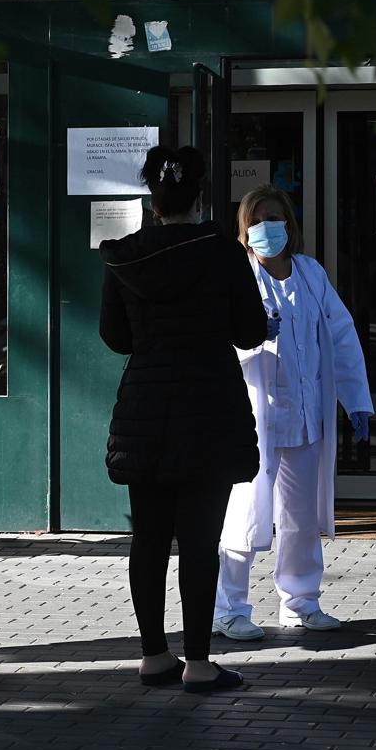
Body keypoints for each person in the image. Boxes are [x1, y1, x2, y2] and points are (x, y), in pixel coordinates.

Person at [99, 145, 274, 694]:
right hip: (209, 407)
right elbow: (248, 331)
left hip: (145, 410)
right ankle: (199, 662)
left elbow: (115, 337)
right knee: (200, 540)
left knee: (148, 538)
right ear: (199, 196)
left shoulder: (125, 257)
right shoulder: (222, 252)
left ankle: (154, 655)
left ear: (154, 200)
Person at [212, 185, 374, 641]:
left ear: (290, 223)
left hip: (303, 420)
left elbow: (340, 335)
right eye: (258, 219)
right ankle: (229, 609)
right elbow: (219, 340)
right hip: (256, 418)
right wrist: (249, 334)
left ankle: (301, 603)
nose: (268, 226)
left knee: (299, 519)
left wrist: (355, 399)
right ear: (245, 229)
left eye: (275, 217)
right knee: (243, 516)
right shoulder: (238, 276)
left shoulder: (309, 273)